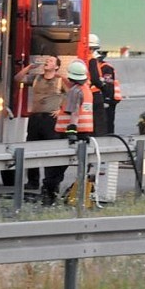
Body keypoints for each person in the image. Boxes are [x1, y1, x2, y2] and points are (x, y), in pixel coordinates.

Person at [43, 59, 94, 206]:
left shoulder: (74, 92)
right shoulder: (86, 89)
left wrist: (71, 131)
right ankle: (79, 197)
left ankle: (49, 196)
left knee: (54, 168)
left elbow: (75, 113)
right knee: (82, 167)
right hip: (85, 133)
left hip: (68, 134)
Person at [14, 55, 66, 189]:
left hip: (50, 119)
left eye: (51, 61)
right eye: (47, 60)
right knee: (32, 149)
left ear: (57, 66)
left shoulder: (60, 80)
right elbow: (17, 79)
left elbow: (73, 95)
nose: (47, 62)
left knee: (51, 150)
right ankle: (33, 181)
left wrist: (62, 109)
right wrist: (29, 67)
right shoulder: (36, 78)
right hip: (36, 118)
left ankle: (50, 183)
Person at [86, 34, 108, 136]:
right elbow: (95, 78)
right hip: (94, 94)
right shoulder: (91, 60)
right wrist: (104, 88)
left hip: (85, 92)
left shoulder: (82, 59)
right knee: (99, 122)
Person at [97, 50, 122, 134]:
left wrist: (106, 100)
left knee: (107, 122)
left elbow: (108, 85)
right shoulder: (98, 66)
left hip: (108, 100)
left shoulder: (106, 67)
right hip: (105, 99)